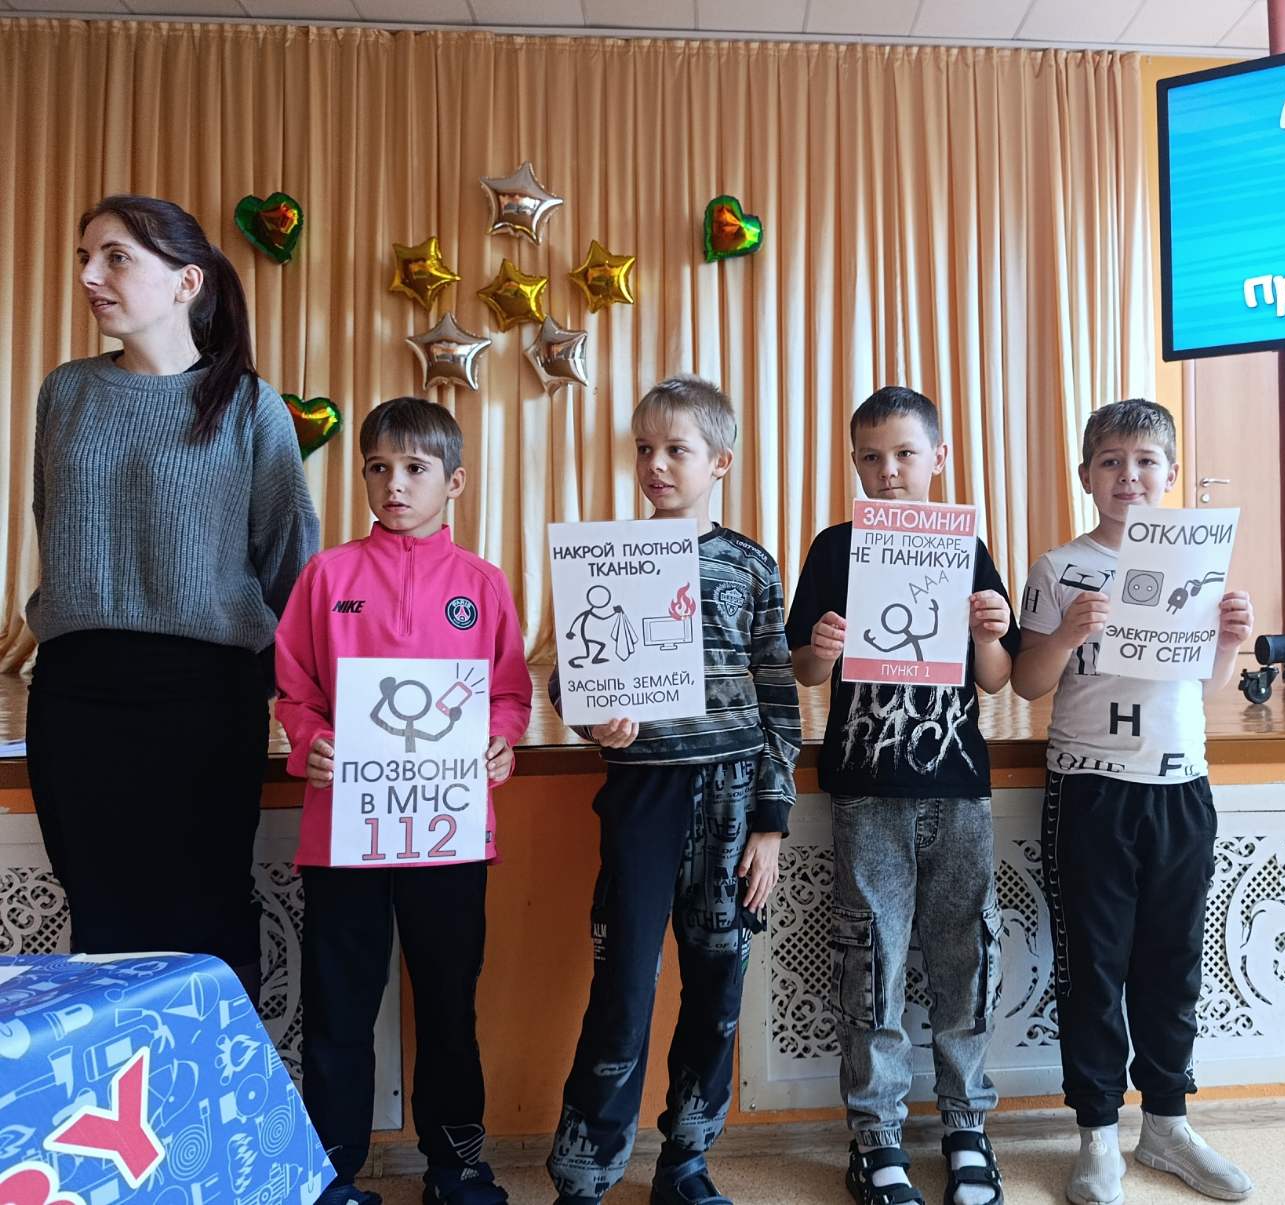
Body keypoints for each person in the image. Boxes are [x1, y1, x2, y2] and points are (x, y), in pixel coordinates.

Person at [25, 194, 318, 1002]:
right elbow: (54, 522)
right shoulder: (65, 392)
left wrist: (297, 700)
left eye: (115, 257)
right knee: (100, 922)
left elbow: (291, 562)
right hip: (76, 694)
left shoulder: (250, 405)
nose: (90, 275)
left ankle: (219, 1082)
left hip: (205, 698)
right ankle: (121, 1086)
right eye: (85, 257)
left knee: (209, 915)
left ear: (187, 281)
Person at [547, 376, 802, 1205]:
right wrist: (593, 721)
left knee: (717, 985)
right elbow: (568, 679)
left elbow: (778, 696)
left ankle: (686, 1159)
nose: (656, 464)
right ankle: (583, 1174)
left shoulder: (751, 563)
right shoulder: (605, 556)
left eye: (676, 449)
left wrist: (770, 822)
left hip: (733, 800)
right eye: (644, 449)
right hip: (642, 797)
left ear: (719, 461)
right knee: (622, 986)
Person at [275, 397, 534, 1205]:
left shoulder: (483, 584)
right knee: (338, 1005)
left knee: (449, 1003)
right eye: (378, 468)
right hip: (343, 835)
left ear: (454, 482)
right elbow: (295, 690)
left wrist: (501, 740)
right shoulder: (326, 576)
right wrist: (311, 742)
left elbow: (509, 694)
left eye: (415, 468)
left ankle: (456, 1165)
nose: (395, 484)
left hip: (448, 836)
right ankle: (332, 1173)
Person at [1010, 399, 1255, 1205]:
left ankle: (1168, 1123)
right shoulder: (1058, 566)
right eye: (1112, 461)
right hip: (1090, 788)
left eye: (1146, 460)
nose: (1130, 475)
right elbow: (1027, 682)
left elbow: (1204, 684)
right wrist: (1066, 634)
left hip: (1181, 785)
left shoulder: (1197, 560)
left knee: (1172, 962)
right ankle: (1095, 1132)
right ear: (1086, 475)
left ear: (1171, 473)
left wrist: (1227, 640)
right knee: (1093, 965)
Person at [785, 386, 1019, 1205]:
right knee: (872, 963)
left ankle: (966, 1125)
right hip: (866, 790)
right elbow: (804, 668)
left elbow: (999, 677)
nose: (889, 470)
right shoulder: (834, 547)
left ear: (938, 458)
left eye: (905, 454)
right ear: (855, 463)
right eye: (872, 456)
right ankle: (875, 1135)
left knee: (965, 958)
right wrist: (821, 648)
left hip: (957, 787)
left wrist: (989, 632)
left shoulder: (965, 544)